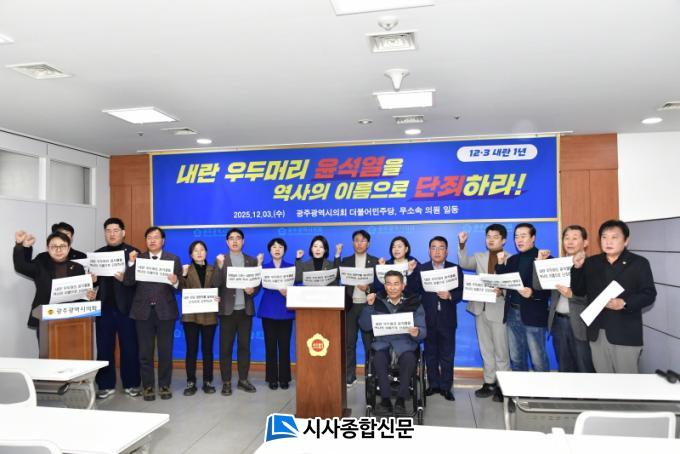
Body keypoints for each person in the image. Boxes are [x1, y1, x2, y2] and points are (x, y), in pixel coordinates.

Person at [571, 219, 656, 373]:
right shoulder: (591, 262)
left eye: (614, 237)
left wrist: (624, 303)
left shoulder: (639, 263)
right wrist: (577, 268)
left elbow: (649, 294)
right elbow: (579, 291)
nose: (608, 242)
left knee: (626, 381)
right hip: (597, 332)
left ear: (626, 241)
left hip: (625, 332)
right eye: (604, 237)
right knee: (603, 381)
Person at [124, 226, 182, 401]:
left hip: (165, 311)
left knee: (165, 352)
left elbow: (180, 286)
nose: (152, 240)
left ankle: (164, 385)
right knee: (145, 352)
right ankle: (148, 386)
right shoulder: (138, 259)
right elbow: (128, 282)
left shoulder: (173, 259)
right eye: (149, 237)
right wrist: (131, 264)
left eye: (156, 237)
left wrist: (176, 281)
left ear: (163, 241)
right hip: (143, 312)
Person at [359, 270, 426, 414]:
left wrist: (417, 332)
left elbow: (423, 330)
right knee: (378, 359)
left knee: (409, 359)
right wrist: (369, 306)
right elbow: (364, 326)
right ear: (385, 286)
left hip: (405, 344)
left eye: (396, 284)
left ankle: (401, 400)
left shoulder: (414, 303)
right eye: (389, 284)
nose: (392, 287)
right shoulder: (376, 301)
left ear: (403, 285)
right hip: (382, 344)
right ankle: (385, 400)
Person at [457, 224, 510, 401]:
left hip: (499, 310)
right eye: (488, 236)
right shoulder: (479, 257)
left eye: (495, 237)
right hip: (480, 309)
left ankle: (503, 386)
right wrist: (462, 244)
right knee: (486, 349)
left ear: (504, 240)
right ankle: (489, 382)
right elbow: (464, 263)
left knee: (501, 351)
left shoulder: (511, 259)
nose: (491, 240)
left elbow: (515, 283)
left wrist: (502, 291)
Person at [13, 230, 96, 340]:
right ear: (48, 248)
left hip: (72, 319)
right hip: (46, 319)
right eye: (54, 246)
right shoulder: (40, 265)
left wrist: (89, 295)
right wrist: (20, 245)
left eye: (62, 246)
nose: (58, 250)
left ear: (69, 248)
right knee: (47, 350)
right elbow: (20, 266)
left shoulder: (78, 268)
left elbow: (82, 295)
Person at [93, 218, 141, 399]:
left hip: (127, 309)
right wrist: (92, 280)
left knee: (130, 348)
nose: (111, 234)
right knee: (104, 348)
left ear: (123, 232)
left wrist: (125, 277)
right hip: (104, 308)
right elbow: (94, 283)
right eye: (108, 230)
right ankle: (105, 385)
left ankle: (131, 384)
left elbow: (139, 281)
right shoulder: (98, 254)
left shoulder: (134, 253)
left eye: (115, 230)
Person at [536, 225, 595, 373]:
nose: (570, 242)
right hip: (558, 322)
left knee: (584, 367)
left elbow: (596, 299)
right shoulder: (557, 264)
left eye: (575, 238)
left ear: (585, 242)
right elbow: (538, 286)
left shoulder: (592, 265)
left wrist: (572, 296)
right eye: (566, 238)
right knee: (564, 367)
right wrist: (540, 263)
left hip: (581, 323)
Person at [212, 228, 262, 396]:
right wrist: (219, 267)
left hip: (245, 311)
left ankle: (243, 380)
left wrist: (253, 290)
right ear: (227, 242)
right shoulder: (221, 260)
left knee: (244, 347)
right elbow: (215, 283)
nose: (235, 241)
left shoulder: (251, 260)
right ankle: (226, 382)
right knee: (225, 348)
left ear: (243, 241)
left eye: (238, 238)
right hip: (227, 312)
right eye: (231, 238)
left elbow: (257, 283)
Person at [496, 223, 551, 372]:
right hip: (512, 314)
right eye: (516, 237)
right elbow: (502, 280)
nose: (519, 240)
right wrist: (500, 263)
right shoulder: (512, 260)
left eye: (523, 236)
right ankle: (520, 387)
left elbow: (550, 291)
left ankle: (544, 388)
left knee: (538, 360)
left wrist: (532, 293)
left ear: (533, 238)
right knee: (516, 359)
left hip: (534, 315)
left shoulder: (545, 258)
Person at [418, 235, 464, 401]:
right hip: (428, 319)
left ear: (447, 251)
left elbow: (461, 291)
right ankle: (433, 385)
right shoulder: (421, 269)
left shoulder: (454, 269)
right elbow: (415, 291)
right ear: (429, 251)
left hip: (447, 320)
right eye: (434, 248)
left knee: (447, 355)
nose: (437, 251)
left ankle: (446, 387)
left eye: (441, 248)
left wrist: (450, 295)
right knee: (430, 354)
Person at [179, 240, 218, 396]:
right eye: (195, 250)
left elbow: (219, 287)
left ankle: (208, 381)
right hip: (191, 316)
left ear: (206, 252)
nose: (199, 253)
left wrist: (218, 297)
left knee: (207, 350)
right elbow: (180, 289)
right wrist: (182, 275)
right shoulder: (186, 270)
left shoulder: (213, 269)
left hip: (209, 315)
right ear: (191, 254)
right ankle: (191, 382)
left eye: (202, 250)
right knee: (191, 350)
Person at [341, 229, 378, 387]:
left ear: (368, 243)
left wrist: (368, 288)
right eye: (356, 240)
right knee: (349, 342)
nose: (359, 243)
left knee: (369, 343)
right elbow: (338, 278)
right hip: (350, 306)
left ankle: (371, 375)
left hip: (367, 307)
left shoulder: (375, 262)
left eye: (363, 240)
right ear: (353, 243)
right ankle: (350, 375)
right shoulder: (346, 261)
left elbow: (380, 286)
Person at [257, 238, 295, 390]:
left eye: (280, 247)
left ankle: (284, 378)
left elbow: (297, 286)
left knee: (284, 346)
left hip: (286, 311)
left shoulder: (291, 267)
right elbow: (256, 285)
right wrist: (258, 265)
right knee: (270, 346)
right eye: (274, 247)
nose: (277, 249)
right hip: (269, 311)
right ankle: (272, 378)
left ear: (284, 250)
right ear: (270, 251)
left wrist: (289, 292)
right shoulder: (264, 267)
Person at [23, 221, 87, 264]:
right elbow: (26, 267)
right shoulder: (43, 257)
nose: (64, 237)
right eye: (60, 234)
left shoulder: (81, 256)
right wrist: (26, 247)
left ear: (72, 237)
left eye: (67, 234)